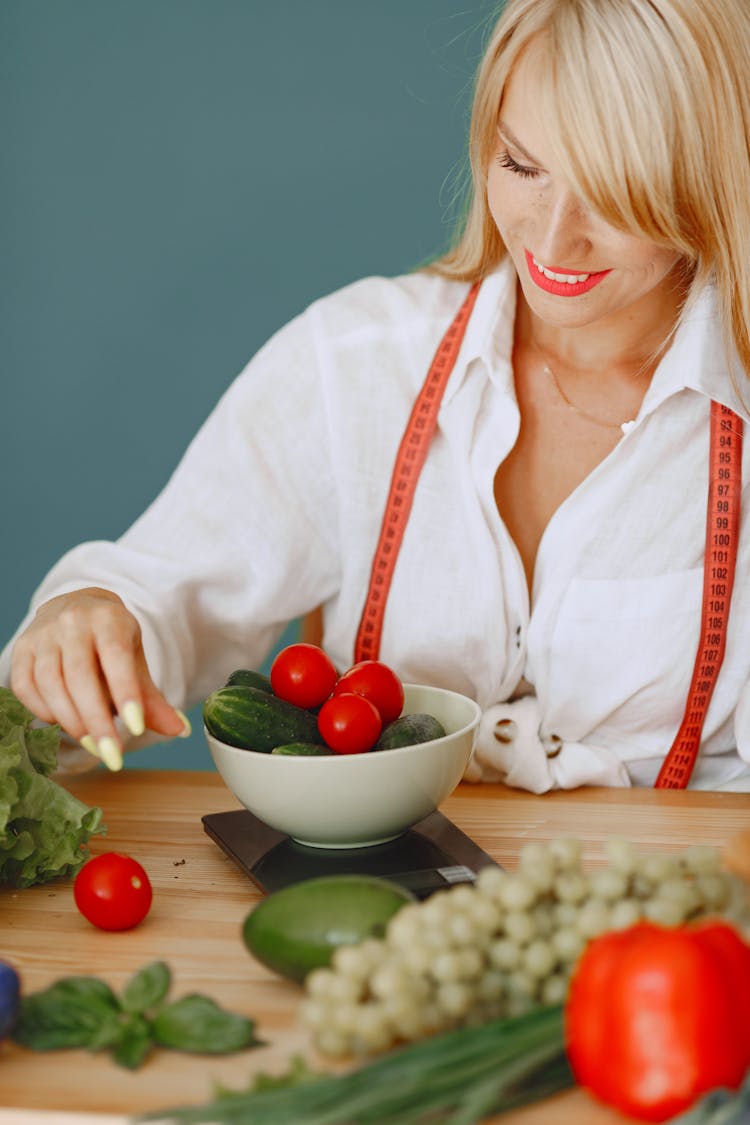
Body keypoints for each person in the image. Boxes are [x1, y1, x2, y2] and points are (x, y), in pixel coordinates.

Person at [3, 0, 750, 791]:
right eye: (524, 166)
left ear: (715, 180)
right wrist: (89, 620)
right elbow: (163, 596)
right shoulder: (356, 363)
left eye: (620, 192)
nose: (554, 238)